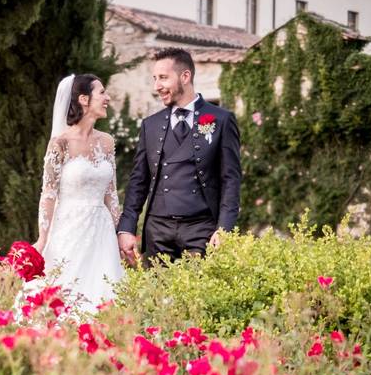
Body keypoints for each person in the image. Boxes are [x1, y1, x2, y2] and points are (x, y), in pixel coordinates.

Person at [117, 47, 241, 266]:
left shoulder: (221, 120)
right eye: (155, 79)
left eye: (163, 78)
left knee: (198, 298)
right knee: (154, 298)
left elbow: (231, 179)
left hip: (201, 229)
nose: (157, 86)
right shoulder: (150, 125)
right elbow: (138, 181)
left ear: (185, 76)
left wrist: (224, 229)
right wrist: (126, 227)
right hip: (157, 232)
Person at [23, 73, 126, 315]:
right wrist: (43, 238)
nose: (107, 98)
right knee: (66, 292)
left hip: (102, 232)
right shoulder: (60, 143)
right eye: (101, 92)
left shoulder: (107, 142)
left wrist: (119, 232)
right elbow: (48, 194)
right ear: (83, 99)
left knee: (104, 291)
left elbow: (111, 193)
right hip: (69, 228)